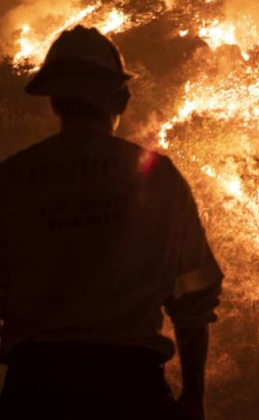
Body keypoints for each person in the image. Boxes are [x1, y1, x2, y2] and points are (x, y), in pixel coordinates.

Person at [0, 25, 223, 420]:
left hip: (34, 392)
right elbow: (193, 295)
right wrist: (194, 397)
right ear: (118, 97)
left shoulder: (11, 180)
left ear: (54, 101)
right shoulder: (157, 175)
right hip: (128, 390)